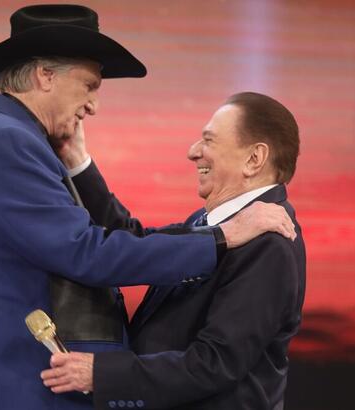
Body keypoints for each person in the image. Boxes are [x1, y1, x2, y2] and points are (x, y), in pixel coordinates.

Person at [0, 5, 295, 410]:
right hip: (18, 392)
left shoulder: (6, 138)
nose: (93, 106)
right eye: (89, 85)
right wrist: (223, 237)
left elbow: (120, 239)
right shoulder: (7, 143)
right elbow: (88, 252)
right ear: (45, 75)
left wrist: (81, 167)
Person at [41, 92, 306, 410]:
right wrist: (76, 158)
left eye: (208, 140)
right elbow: (137, 240)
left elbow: (214, 363)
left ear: (254, 159)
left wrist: (101, 374)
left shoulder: (269, 245)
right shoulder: (216, 223)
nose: (193, 152)